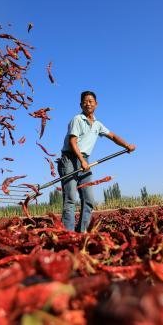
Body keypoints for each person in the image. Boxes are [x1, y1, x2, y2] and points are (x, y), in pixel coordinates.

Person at [57, 90, 136, 232]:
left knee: (88, 199)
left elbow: (112, 136)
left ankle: (83, 233)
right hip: (69, 159)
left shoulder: (98, 125)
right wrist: (81, 160)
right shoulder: (77, 119)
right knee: (70, 199)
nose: (88, 103)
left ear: (96, 104)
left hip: (84, 160)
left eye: (90, 101)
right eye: (85, 101)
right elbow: (73, 142)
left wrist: (127, 145)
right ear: (81, 104)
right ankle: (67, 234)